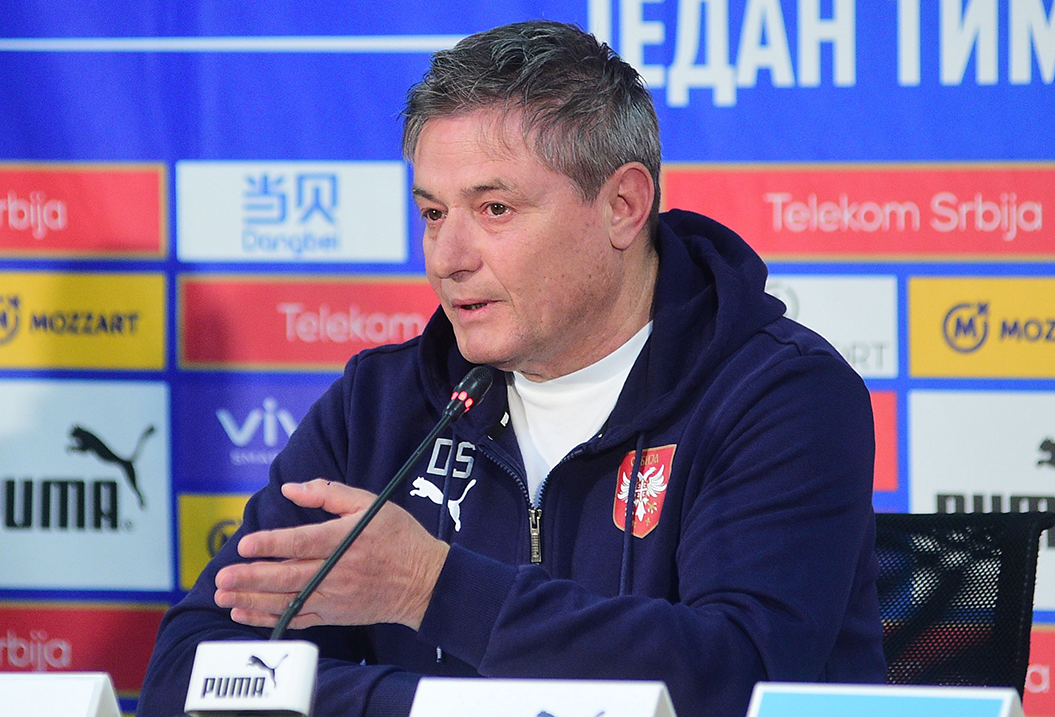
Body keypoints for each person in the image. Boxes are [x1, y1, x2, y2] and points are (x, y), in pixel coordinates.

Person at [137, 20, 886, 717]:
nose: (447, 258)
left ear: (623, 206)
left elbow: (733, 680)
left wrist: (430, 587)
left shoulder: (782, 396)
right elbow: (188, 675)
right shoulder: (382, 405)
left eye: (494, 209)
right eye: (433, 213)